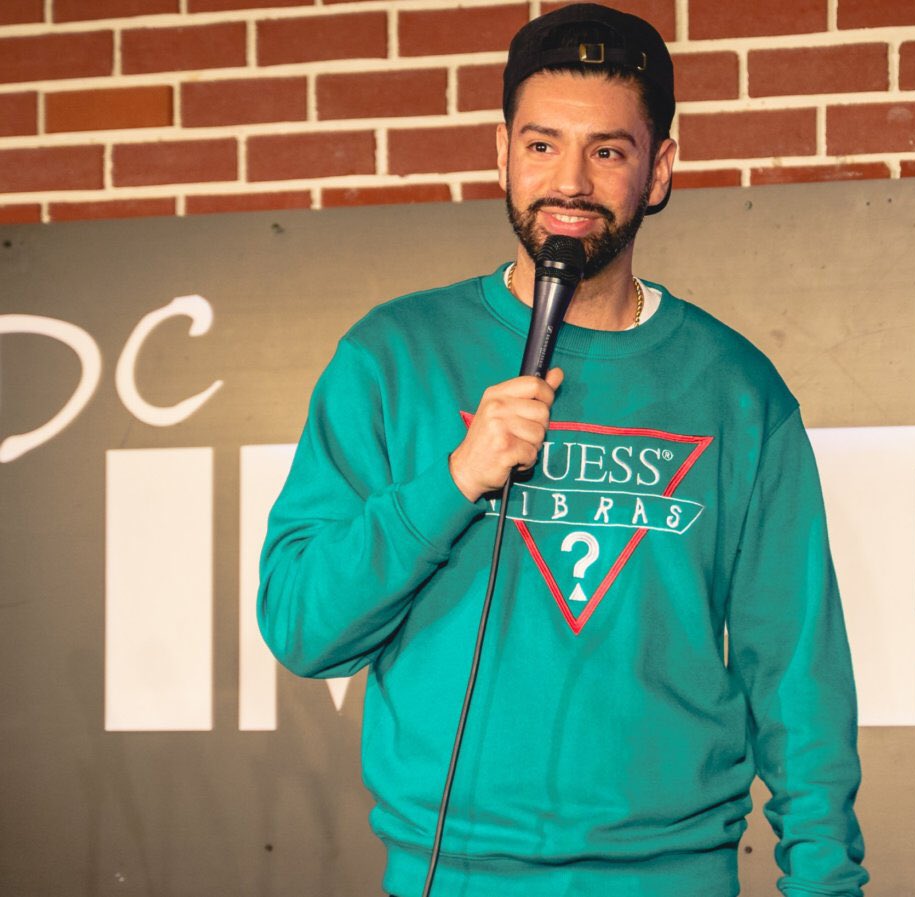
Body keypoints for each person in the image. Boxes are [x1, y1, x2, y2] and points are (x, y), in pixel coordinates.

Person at [257, 5, 867, 896]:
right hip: (451, 875)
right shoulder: (392, 356)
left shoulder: (738, 389)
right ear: (501, 153)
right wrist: (454, 480)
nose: (569, 181)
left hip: (673, 876)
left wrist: (825, 881)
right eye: (541, 145)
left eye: (608, 151)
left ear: (659, 169)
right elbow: (304, 629)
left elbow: (796, 669)